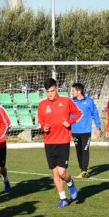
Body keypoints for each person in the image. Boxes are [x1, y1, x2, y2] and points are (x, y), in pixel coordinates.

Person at [37, 78, 82, 208]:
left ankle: (71, 184)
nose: (50, 94)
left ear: (56, 89)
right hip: (49, 142)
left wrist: (70, 122)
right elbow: (40, 121)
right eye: (47, 92)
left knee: (62, 172)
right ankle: (63, 198)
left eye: (51, 91)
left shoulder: (66, 101)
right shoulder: (42, 104)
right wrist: (43, 127)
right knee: (55, 172)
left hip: (63, 141)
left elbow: (79, 113)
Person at [70, 82, 102, 178]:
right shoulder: (71, 102)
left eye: (73, 90)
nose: (72, 92)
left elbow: (95, 114)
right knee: (78, 151)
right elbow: (68, 115)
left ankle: (84, 170)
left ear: (79, 91)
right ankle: (82, 169)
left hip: (86, 131)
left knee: (85, 150)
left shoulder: (89, 101)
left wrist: (98, 127)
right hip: (75, 131)